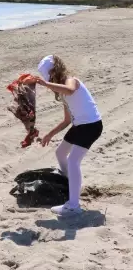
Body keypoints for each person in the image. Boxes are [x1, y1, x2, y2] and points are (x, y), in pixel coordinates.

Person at [36, 55, 103, 216]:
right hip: (80, 125)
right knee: (60, 153)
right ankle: (70, 185)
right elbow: (67, 121)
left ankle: (73, 206)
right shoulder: (63, 93)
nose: (49, 83)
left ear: (54, 72)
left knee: (73, 160)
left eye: (49, 78)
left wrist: (45, 83)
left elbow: (71, 90)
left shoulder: (71, 81)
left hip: (91, 125)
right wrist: (49, 135)